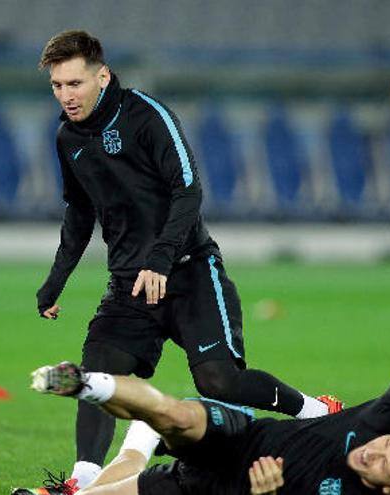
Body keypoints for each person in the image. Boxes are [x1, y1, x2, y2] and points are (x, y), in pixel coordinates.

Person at [32, 30, 340, 491]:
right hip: (129, 284)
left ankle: (316, 411)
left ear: (102, 75)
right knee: (97, 373)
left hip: (190, 269)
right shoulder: (67, 137)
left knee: (221, 384)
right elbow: (79, 211)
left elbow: (189, 188)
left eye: (74, 83)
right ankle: (83, 480)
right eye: (57, 86)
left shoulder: (147, 116)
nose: (66, 95)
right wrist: (55, 280)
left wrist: (160, 258)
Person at [19, 330, 390, 495]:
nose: (375, 450)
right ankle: (85, 384)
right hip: (240, 437)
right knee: (174, 416)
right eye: (386, 444)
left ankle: (137, 438)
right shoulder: (387, 420)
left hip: (209, 490)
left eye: (383, 463)